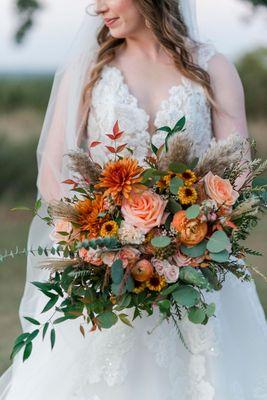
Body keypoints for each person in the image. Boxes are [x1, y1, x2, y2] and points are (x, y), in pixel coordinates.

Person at [1, 1, 267, 399]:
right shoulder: (90, 72)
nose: (98, 7)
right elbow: (53, 174)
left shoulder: (213, 68)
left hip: (198, 268)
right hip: (105, 271)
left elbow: (238, 169)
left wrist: (187, 239)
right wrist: (98, 243)